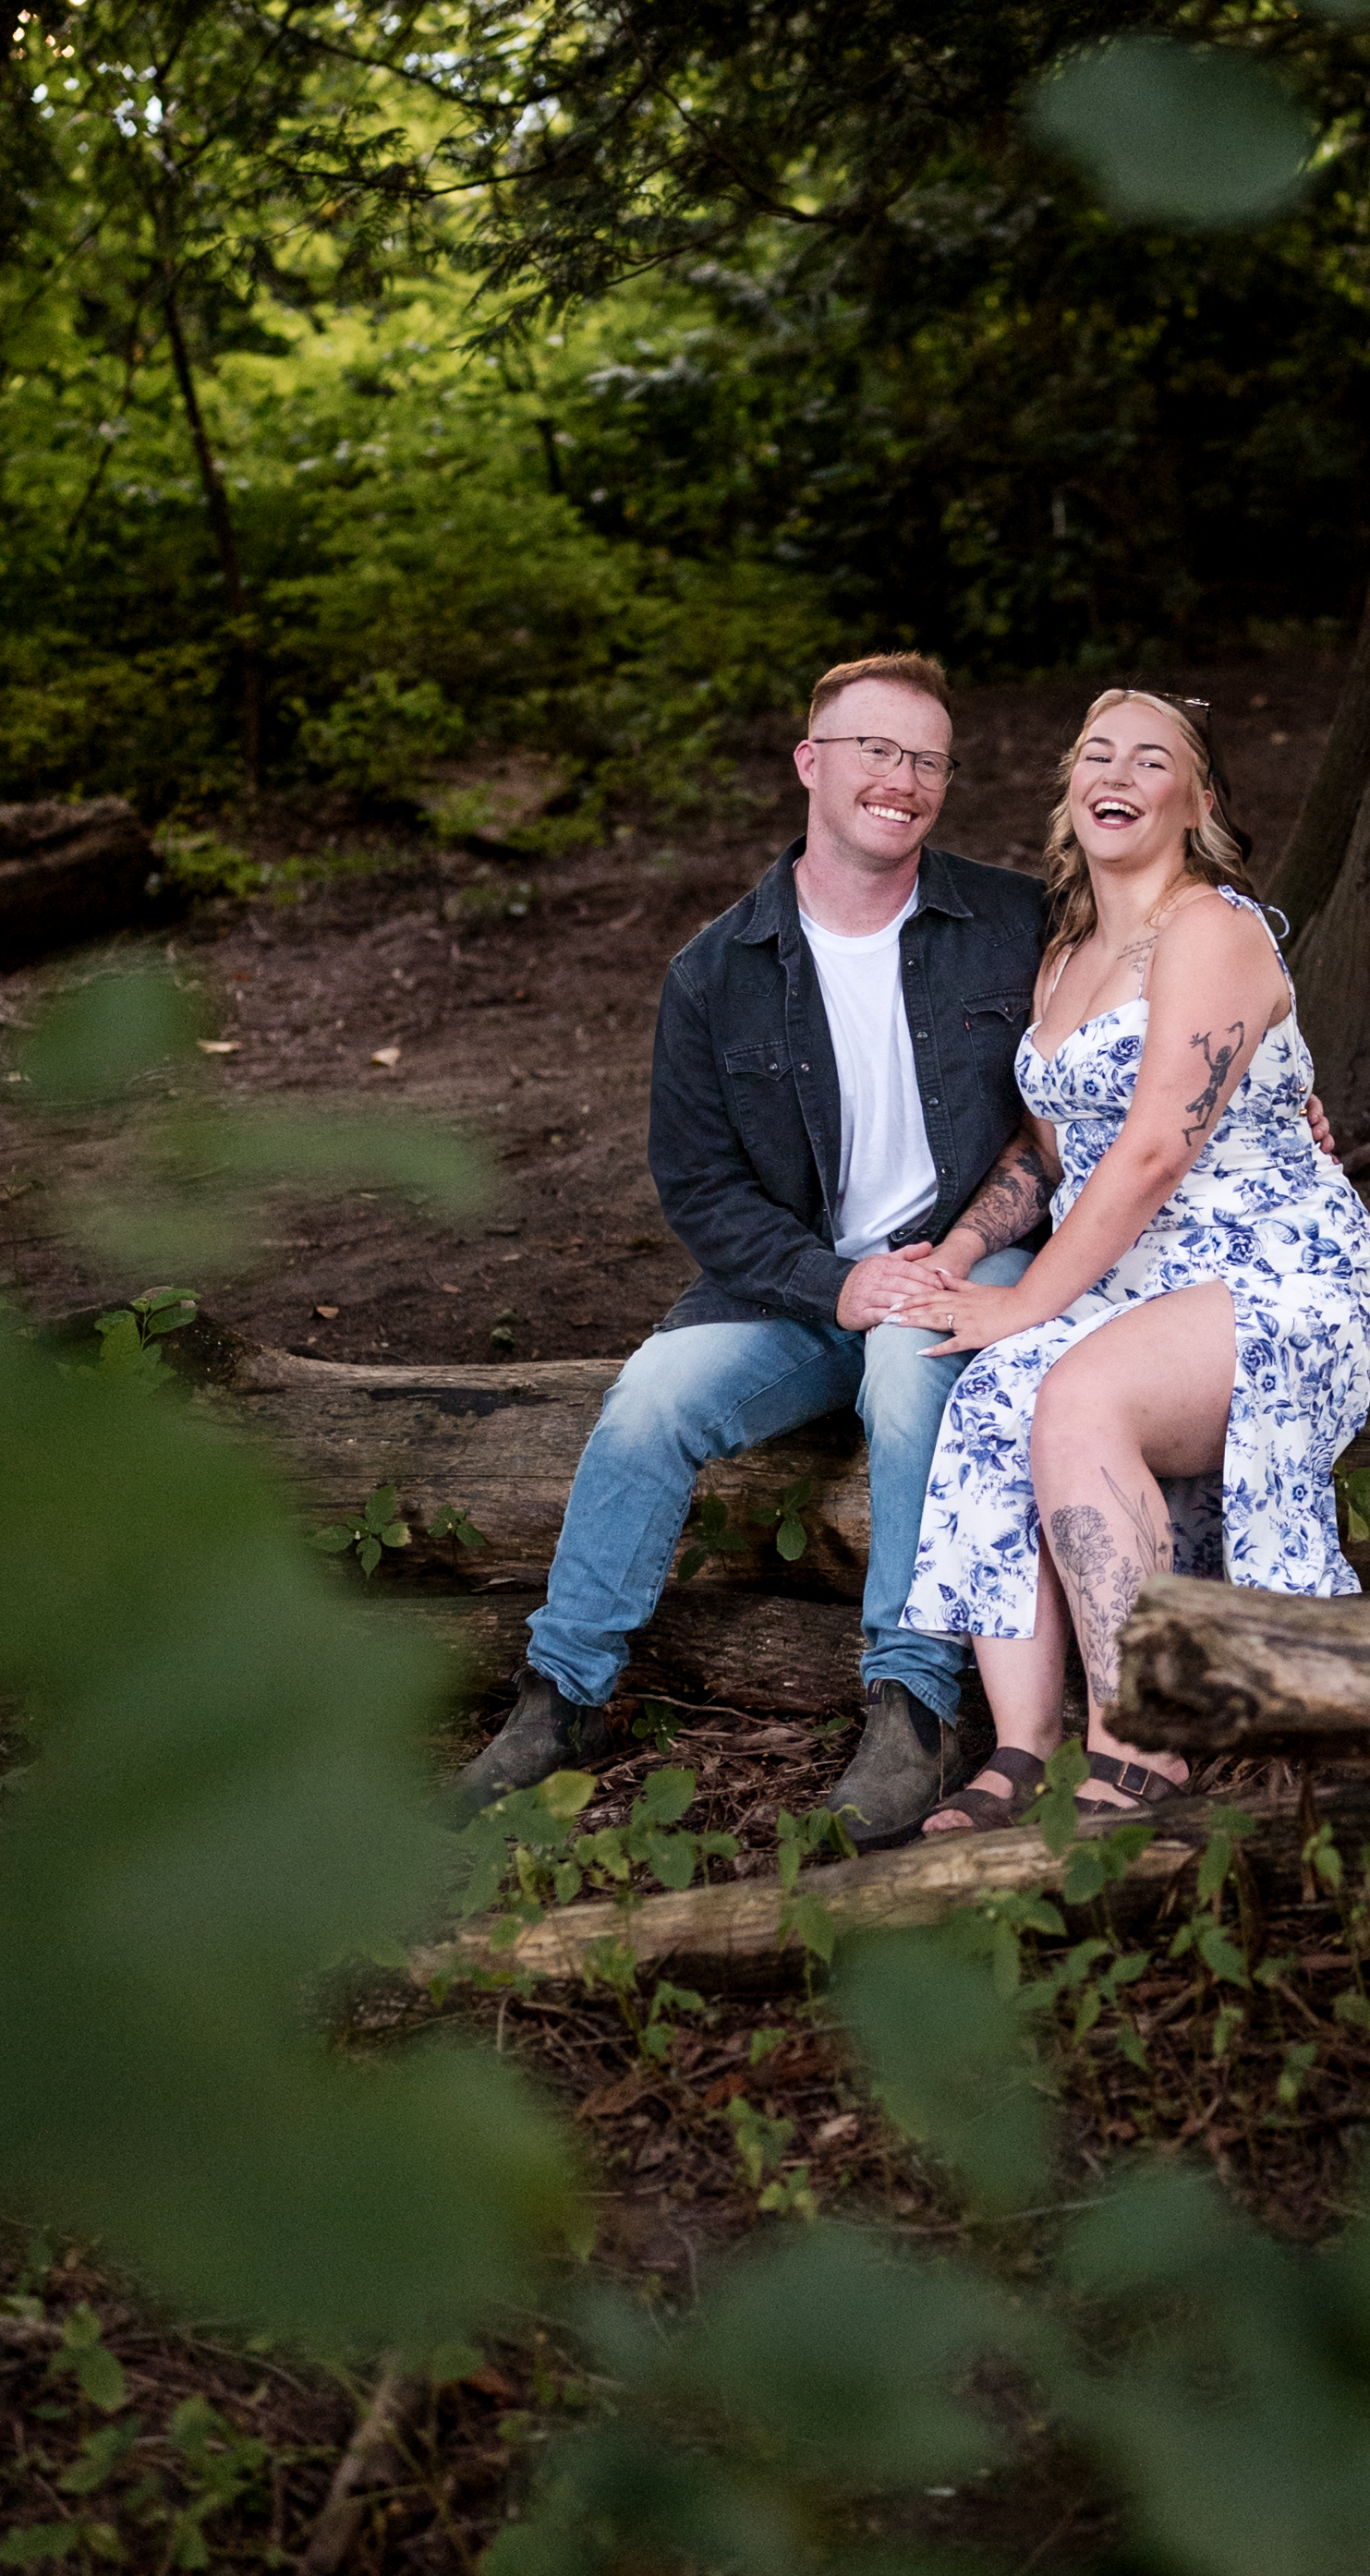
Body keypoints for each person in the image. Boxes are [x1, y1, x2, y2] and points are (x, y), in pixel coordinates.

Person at [451, 651, 1053, 1844]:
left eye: (928, 760)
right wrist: (837, 1282)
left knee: (911, 1364)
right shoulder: (716, 971)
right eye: (876, 750)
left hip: (966, 1263)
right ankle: (560, 1699)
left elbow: (1148, 990)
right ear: (809, 762)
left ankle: (913, 1707)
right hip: (798, 1286)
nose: (903, 779)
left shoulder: (1013, 921)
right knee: (648, 1399)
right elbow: (702, 1189)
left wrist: (1270, 1075)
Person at [887, 686, 1370, 1834]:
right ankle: (1020, 1749)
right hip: (1131, 1279)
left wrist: (1026, 1302)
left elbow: (1157, 1146)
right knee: (994, 1398)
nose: (1117, 774)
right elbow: (1051, 1152)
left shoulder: (1216, 930)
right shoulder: (1065, 956)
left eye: (1151, 761)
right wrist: (956, 1258)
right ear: (1070, 786)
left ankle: (1142, 1745)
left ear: (1198, 802)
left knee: (1076, 1393)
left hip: (1272, 1270)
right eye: (1097, 754)